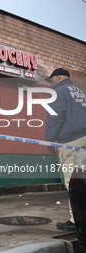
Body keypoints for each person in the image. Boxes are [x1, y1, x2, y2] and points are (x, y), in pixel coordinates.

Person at [45, 68, 86, 231]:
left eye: (52, 80)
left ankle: (76, 221)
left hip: (72, 143)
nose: (51, 84)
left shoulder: (59, 92)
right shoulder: (80, 92)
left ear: (59, 77)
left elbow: (54, 118)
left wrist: (49, 141)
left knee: (73, 181)